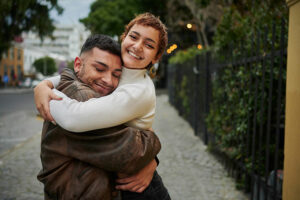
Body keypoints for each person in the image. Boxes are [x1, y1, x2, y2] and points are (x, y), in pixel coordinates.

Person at [34, 12, 171, 200]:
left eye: (149, 45)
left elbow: (74, 118)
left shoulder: (138, 91)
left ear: (155, 58)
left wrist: (49, 94)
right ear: (123, 38)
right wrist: (45, 84)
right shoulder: (122, 68)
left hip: (140, 189)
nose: (138, 47)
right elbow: (74, 74)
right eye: (133, 37)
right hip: (124, 174)